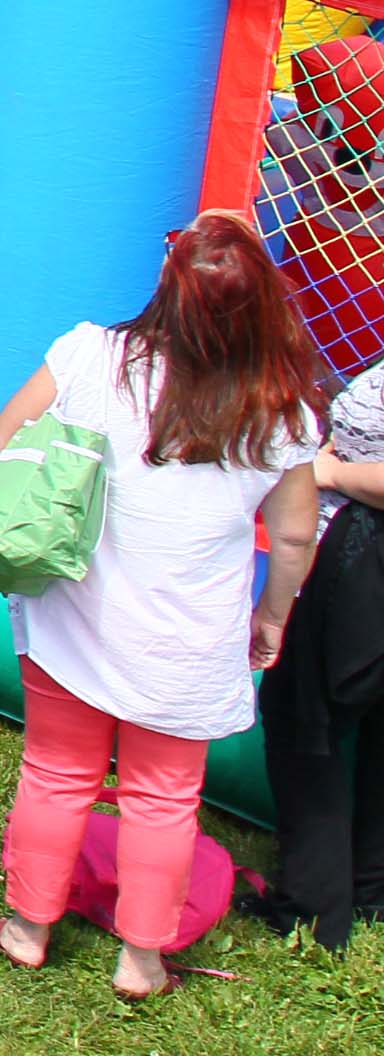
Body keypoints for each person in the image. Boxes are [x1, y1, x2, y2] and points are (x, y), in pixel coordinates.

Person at [0, 211, 325, 1000]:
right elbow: (296, 535)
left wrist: (11, 537)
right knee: (165, 800)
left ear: (168, 287)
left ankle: (29, 929)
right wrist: (272, 615)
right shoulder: (281, 407)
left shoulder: (95, 356)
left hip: (72, 620)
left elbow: (1, 443)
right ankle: (141, 959)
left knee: (57, 774)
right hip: (190, 644)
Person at [255, 358, 384, 947]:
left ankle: (313, 911)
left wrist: (331, 473)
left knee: (308, 719)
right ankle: (369, 892)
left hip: (367, 556)